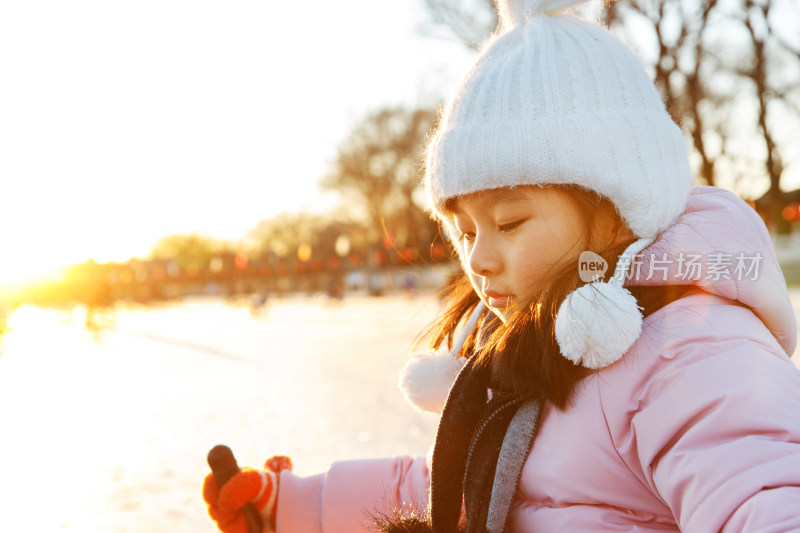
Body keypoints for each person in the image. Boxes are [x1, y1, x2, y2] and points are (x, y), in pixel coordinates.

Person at [201, 0, 800, 531]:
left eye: (510, 223)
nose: (478, 258)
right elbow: (459, 486)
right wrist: (291, 505)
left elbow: (770, 499)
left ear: (618, 211)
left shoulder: (690, 353)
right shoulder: (528, 350)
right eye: (464, 230)